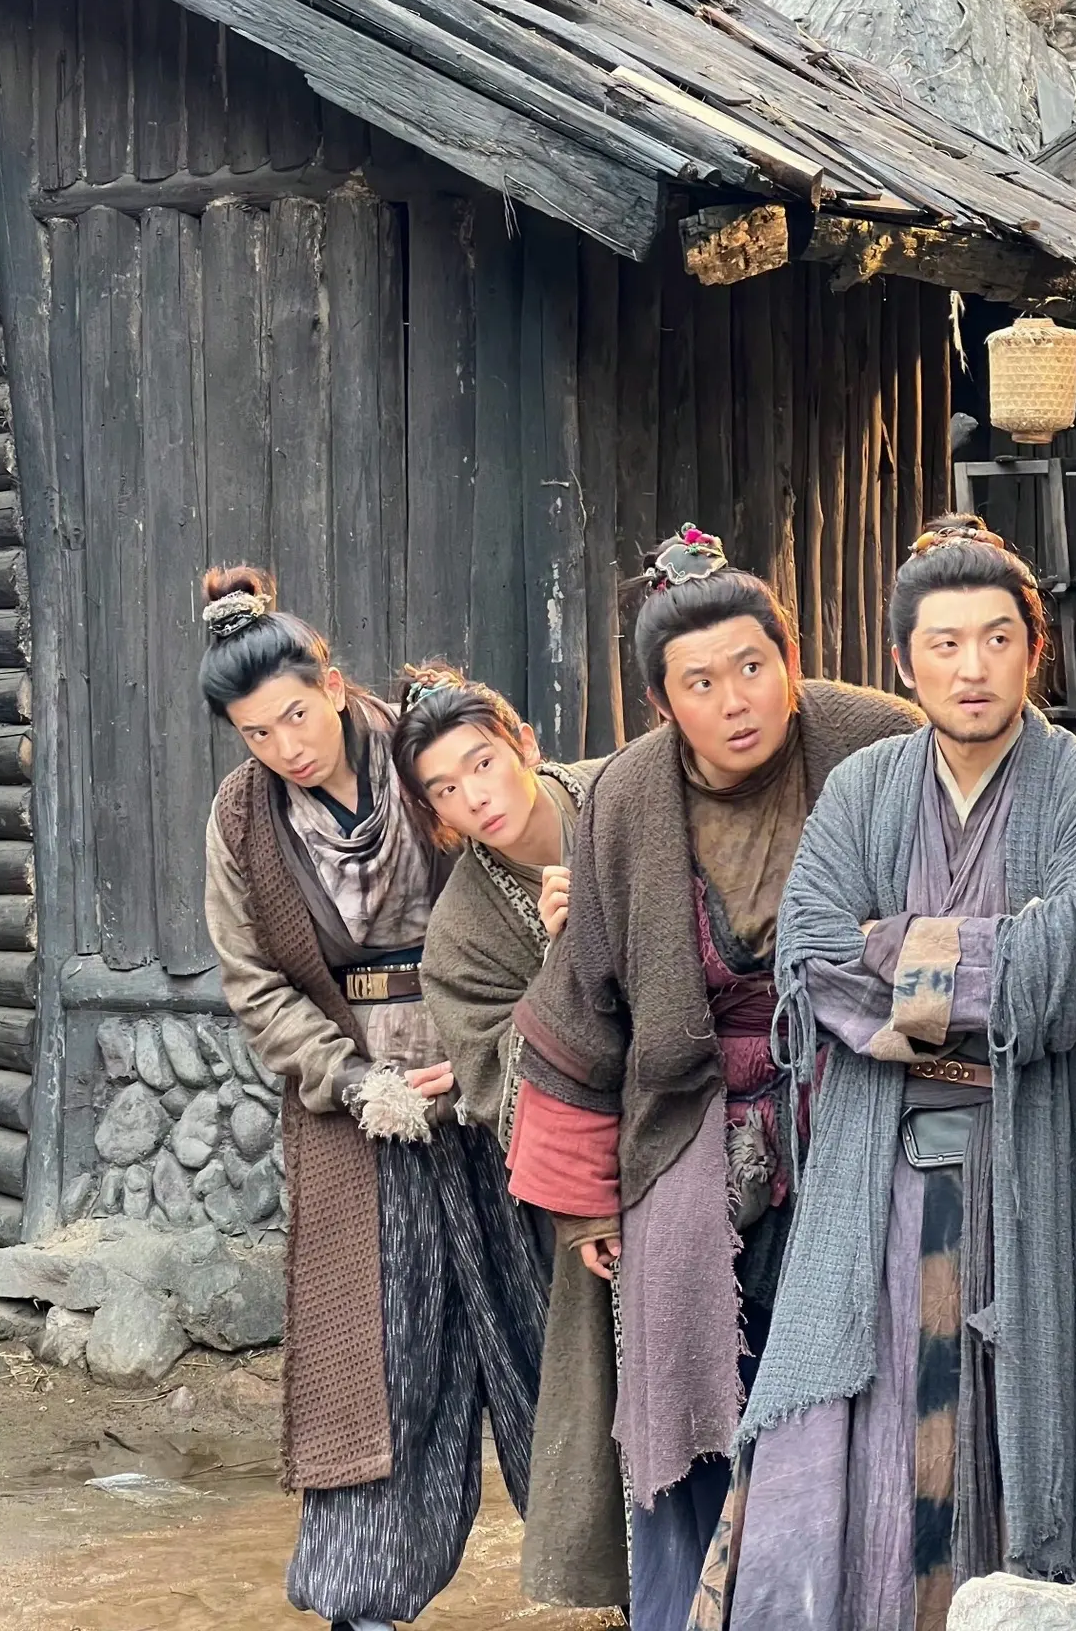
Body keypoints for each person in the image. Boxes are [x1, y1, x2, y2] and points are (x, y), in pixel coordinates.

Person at [700, 514, 1076, 1631]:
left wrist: (897, 956)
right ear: (905, 664)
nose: (972, 667)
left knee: (1028, 1410)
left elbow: (1058, 979)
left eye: (997, 639)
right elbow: (814, 955)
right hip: (877, 1160)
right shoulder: (864, 789)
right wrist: (977, 969)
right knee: (852, 1408)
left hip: (1029, 1155)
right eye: (944, 645)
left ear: (1034, 650)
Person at [505, 526, 921, 1631]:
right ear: (661, 703)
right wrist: (588, 1200)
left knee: (854, 1385)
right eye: (700, 682)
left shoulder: (878, 743)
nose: (736, 700)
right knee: (695, 1397)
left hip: (855, 1107)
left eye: (752, 665)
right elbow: (583, 1002)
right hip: (688, 1127)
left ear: (791, 659)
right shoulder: (626, 800)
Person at [198, 567, 547, 1631]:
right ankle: (365, 1600)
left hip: (496, 1071)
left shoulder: (423, 756)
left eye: (297, 715)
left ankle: (625, 1565)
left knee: (548, 1327)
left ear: (334, 686)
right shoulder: (242, 821)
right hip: (361, 1107)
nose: (286, 746)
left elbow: (525, 864)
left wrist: (497, 1049)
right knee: (388, 1357)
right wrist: (353, 1081)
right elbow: (255, 981)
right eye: (257, 734)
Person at [393, 662, 628, 1613]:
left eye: (483, 763)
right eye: (445, 789)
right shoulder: (462, 930)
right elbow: (500, 1084)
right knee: (626, 1393)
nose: (475, 797)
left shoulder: (624, 794)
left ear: (524, 742)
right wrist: (565, 961)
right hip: (599, 1167)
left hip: (728, 1109)